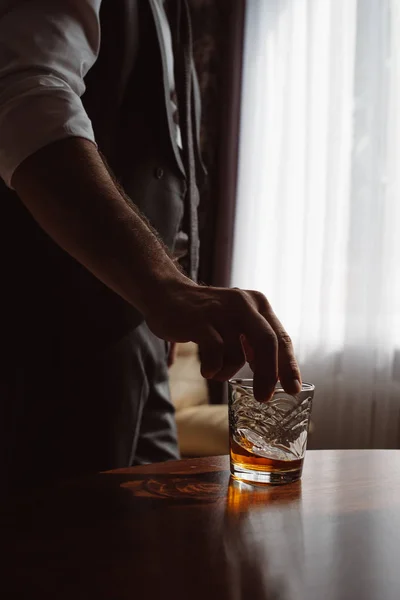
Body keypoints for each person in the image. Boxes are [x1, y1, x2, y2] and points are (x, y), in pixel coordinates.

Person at [0, 0, 301, 490]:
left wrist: (155, 304)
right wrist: (161, 285)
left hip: (138, 337)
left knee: (158, 543)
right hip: (47, 339)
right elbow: (26, 96)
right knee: (63, 549)